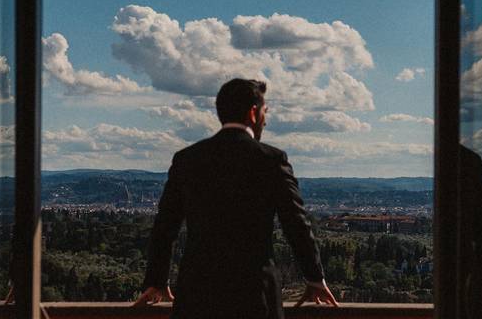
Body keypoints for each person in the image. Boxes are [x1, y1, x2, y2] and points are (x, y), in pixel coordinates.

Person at [133, 78, 338, 318]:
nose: (266, 120)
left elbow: (165, 226)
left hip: (197, 294)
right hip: (255, 295)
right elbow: (296, 223)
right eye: (265, 112)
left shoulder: (187, 159)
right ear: (253, 113)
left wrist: (156, 279)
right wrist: (314, 277)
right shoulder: (271, 160)